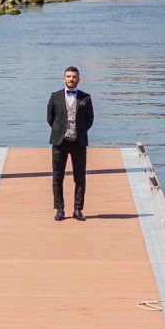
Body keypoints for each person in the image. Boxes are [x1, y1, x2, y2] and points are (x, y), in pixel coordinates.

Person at [46, 66, 93, 220]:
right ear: (63, 78)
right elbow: (50, 119)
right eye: (68, 76)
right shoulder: (55, 96)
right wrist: (60, 131)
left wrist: (79, 132)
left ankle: (78, 210)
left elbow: (89, 120)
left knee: (80, 178)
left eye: (74, 77)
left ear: (78, 79)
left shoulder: (86, 98)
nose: (71, 79)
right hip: (60, 142)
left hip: (78, 143)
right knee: (57, 177)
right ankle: (59, 210)